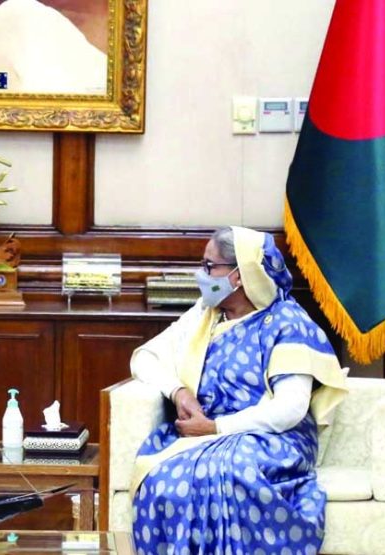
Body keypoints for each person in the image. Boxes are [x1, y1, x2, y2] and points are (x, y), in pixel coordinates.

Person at [129, 226, 347, 554]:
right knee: (162, 480)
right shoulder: (205, 315)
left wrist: (217, 428)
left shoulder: (287, 323)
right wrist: (179, 393)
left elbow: (290, 409)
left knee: (230, 470)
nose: (200, 275)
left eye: (208, 267)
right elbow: (144, 358)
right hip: (204, 437)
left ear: (238, 276)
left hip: (274, 439)